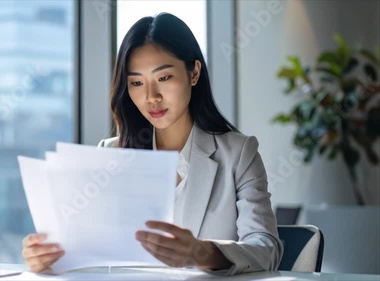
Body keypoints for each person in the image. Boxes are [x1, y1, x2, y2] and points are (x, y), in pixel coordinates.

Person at [22, 12, 283, 275]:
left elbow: (266, 250)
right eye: (136, 82)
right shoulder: (110, 154)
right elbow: (88, 256)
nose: (151, 97)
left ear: (194, 72)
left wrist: (200, 252)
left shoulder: (238, 154)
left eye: (164, 78)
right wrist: (47, 258)